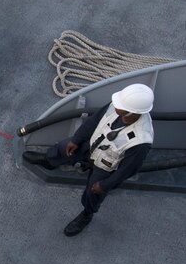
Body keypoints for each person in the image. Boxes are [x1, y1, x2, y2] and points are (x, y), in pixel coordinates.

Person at [22, 83, 154, 236]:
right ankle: (49, 161)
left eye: (120, 105)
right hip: (93, 143)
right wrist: (77, 140)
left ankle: (87, 214)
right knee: (64, 146)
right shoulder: (116, 106)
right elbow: (94, 120)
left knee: (94, 192)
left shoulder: (140, 141)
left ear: (131, 112)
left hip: (107, 166)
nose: (115, 104)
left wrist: (105, 185)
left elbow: (127, 170)